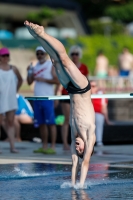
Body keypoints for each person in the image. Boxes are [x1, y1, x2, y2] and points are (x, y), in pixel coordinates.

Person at [24, 20, 96, 187]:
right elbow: (84, 163)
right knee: (64, 59)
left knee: (55, 61)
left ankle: (38, 37)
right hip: (82, 88)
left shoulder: (74, 135)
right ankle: (42, 33)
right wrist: (81, 185)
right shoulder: (88, 133)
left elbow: (75, 163)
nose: (77, 149)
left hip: (71, 90)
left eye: (76, 150)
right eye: (81, 150)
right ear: (86, 149)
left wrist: (72, 184)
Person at [27, 46, 59, 154]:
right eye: (38, 53)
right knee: (41, 123)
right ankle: (44, 146)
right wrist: (29, 72)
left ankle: (53, 146)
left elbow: (57, 81)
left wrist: (44, 80)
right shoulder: (35, 66)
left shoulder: (50, 65)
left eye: (41, 53)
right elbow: (29, 82)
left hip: (47, 97)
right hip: (37, 98)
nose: (40, 55)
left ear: (45, 54)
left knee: (50, 123)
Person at [59, 45, 89, 150]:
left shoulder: (84, 67)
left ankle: (79, 142)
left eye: (76, 54)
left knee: (79, 119)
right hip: (67, 94)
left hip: (79, 95)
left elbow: (86, 82)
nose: (75, 56)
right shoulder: (67, 65)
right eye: (73, 54)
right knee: (67, 119)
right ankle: (65, 143)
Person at [0, 47, 23, 153]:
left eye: (7, 55)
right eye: (3, 56)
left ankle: (12, 147)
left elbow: (20, 79)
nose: (5, 57)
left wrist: (15, 91)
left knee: (10, 122)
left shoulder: (13, 68)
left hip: (10, 98)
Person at [90, 80, 112, 146]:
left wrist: (107, 120)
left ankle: (99, 141)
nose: (92, 88)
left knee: (98, 118)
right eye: (90, 86)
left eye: (94, 86)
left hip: (97, 113)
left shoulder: (101, 94)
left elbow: (104, 108)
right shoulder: (85, 94)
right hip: (88, 114)